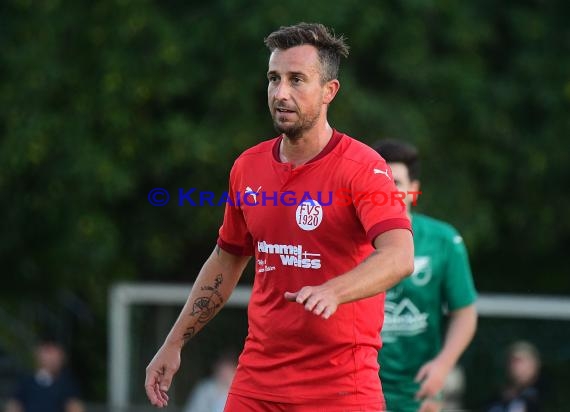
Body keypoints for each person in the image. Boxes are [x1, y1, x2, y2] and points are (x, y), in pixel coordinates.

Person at [145, 22, 414, 411]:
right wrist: (174, 343)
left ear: (329, 91)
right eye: (274, 79)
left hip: (340, 390)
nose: (280, 93)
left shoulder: (362, 166)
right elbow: (226, 260)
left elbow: (399, 255)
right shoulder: (248, 167)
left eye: (297, 80)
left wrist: (332, 290)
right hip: (258, 384)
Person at [374, 140, 478, 412]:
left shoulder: (443, 240)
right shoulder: (348, 240)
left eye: (395, 182)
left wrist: (443, 365)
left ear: (413, 191)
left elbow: (465, 313)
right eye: (380, 182)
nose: (386, 190)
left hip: (417, 392)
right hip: (358, 388)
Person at [4, 340, 84, 412]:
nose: (51, 358)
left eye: (55, 354)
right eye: (48, 352)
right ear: (38, 354)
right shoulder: (25, 382)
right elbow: (14, 405)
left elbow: (74, 406)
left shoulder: (67, 385)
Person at [486, 341, 543, 412]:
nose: (515, 366)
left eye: (519, 361)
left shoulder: (544, 395)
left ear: (534, 365)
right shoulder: (498, 397)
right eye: (511, 361)